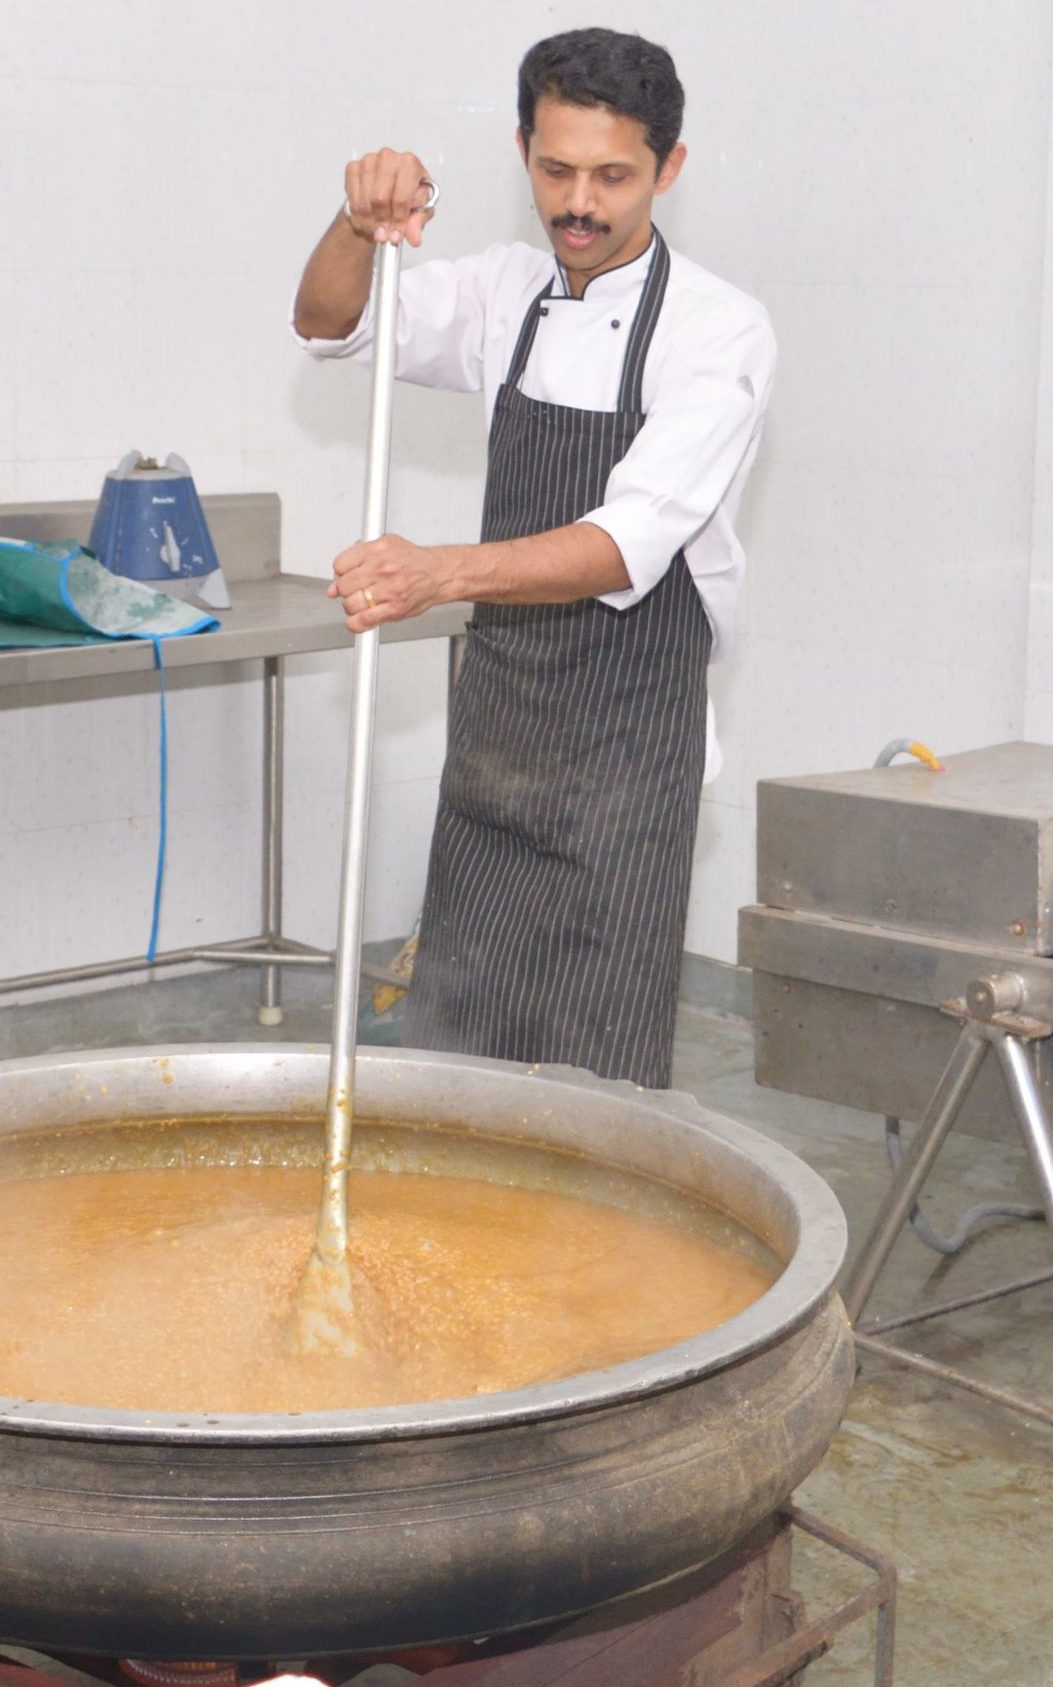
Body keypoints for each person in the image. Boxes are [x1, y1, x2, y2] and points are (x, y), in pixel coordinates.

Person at [290, 27, 775, 1088]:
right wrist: (356, 224)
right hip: (498, 734)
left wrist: (438, 573)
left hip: (625, 756)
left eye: (612, 176)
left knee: (597, 1082)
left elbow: (623, 544)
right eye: (555, 170)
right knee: (455, 1054)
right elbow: (329, 322)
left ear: (668, 169)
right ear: (522, 152)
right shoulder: (504, 290)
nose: (579, 203)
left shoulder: (718, 331)